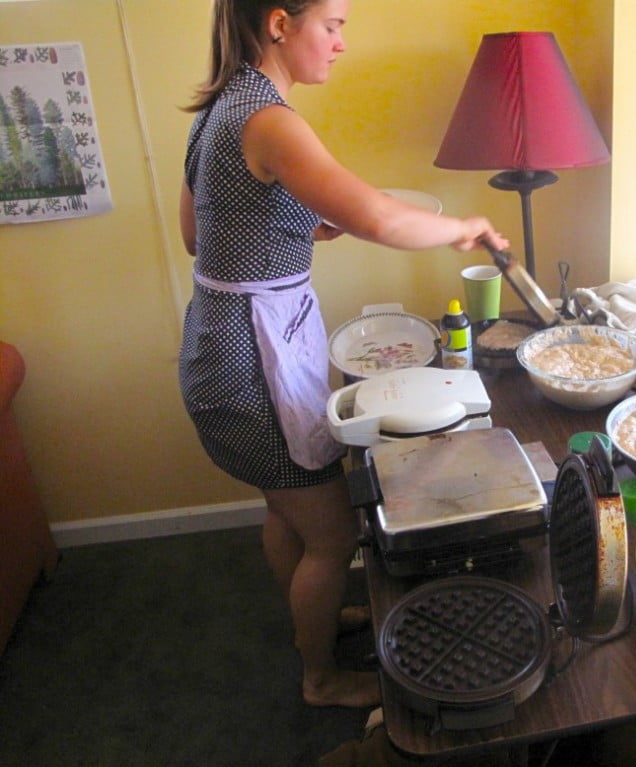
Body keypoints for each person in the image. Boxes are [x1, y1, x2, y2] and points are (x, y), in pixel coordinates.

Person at [178, 0, 508, 709]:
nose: (341, 43)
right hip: (251, 358)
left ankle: (314, 623)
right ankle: (321, 676)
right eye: (332, 24)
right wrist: (466, 225)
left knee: (286, 507)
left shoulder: (218, 109)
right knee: (332, 533)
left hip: (218, 343)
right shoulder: (268, 120)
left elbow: (197, 233)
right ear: (278, 23)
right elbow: (381, 218)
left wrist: (302, 223)